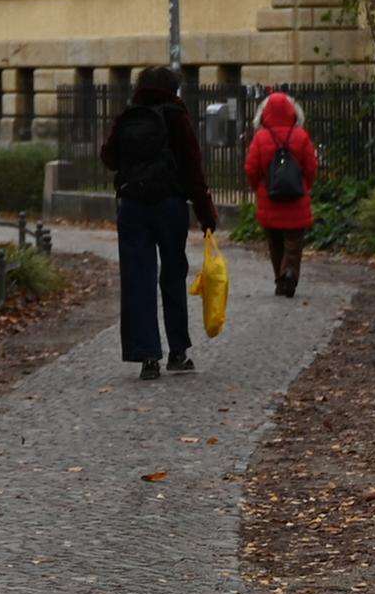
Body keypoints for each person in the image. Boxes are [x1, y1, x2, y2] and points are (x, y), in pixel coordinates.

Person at [98, 66, 219, 379]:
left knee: (138, 279)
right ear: (172, 89)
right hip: (169, 205)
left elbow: (109, 158)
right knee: (173, 274)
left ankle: (147, 357)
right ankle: (178, 352)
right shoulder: (176, 117)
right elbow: (193, 170)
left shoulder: (127, 116)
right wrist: (207, 214)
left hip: (132, 206)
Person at [243, 89, 321, 296]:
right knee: (293, 243)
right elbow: (311, 167)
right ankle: (290, 273)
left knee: (275, 243)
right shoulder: (301, 136)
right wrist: (306, 186)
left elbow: (251, 169)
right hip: (296, 199)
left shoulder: (260, 138)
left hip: (270, 198)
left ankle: (280, 279)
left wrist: (258, 188)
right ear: (292, 111)